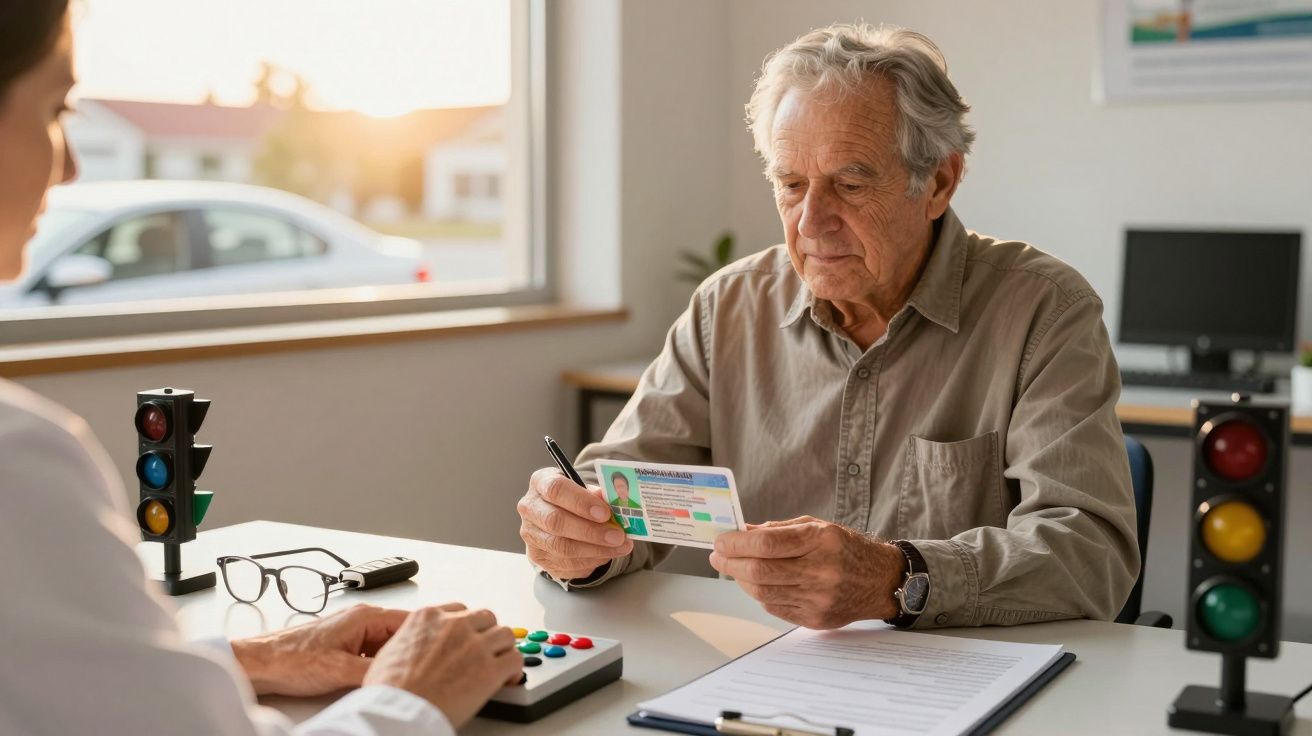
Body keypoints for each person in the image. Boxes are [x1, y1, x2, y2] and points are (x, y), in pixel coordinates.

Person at [0, 2, 520, 733]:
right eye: (58, 109)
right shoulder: (16, 458)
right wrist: (411, 699)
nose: (72, 163)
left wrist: (249, 655)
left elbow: (49, 678)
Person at [517, 23, 1139, 630]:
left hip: (960, 680)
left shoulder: (1043, 311)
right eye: (791, 185)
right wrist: (574, 535)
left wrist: (898, 578)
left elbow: (1092, 553)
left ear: (940, 182)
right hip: (755, 669)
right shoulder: (727, 308)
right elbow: (618, 494)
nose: (812, 222)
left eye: (849, 183)